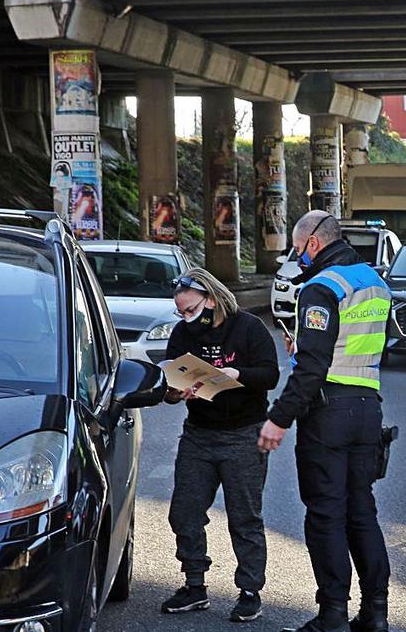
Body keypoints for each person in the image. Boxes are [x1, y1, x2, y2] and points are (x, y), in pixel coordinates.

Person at [258, 210, 393, 632]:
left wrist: (279, 418)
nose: (297, 257)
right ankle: (375, 614)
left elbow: (314, 365)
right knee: (362, 513)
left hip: (328, 412)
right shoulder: (374, 281)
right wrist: (306, 345)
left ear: (313, 243)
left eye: (298, 249)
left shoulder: (321, 287)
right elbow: (356, 346)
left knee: (325, 515)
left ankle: (332, 614)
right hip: (367, 409)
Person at [160, 268, 280, 623]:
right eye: (181, 313)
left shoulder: (248, 328)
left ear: (211, 299)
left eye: (192, 310)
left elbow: (270, 375)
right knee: (184, 513)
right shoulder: (183, 335)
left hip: (244, 434)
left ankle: (249, 591)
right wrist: (174, 392)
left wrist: (237, 374)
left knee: (245, 518)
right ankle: (194, 586)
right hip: (199, 433)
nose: (186, 319)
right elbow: (168, 387)